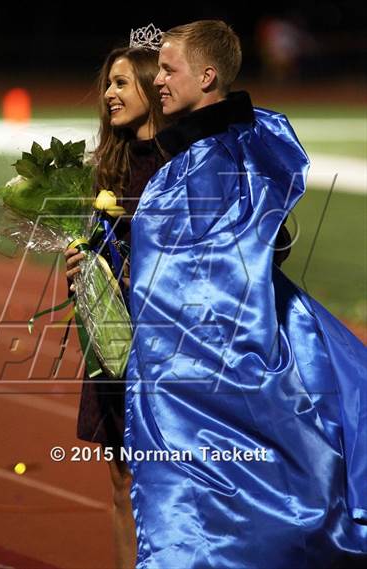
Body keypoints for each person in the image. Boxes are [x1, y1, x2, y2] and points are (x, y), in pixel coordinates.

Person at [124, 20, 367, 568]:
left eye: (168, 69)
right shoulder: (237, 144)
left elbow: (193, 285)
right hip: (249, 342)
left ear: (207, 77)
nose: (157, 80)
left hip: (210, 368)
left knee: (215, 503)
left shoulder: (209, 163)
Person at [65, 37, 167, 569]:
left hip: (171, 347)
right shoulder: (106, 166)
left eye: (121, 82)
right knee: (122, 481)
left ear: (153, 87)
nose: (108, 93)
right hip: (115, 345)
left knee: (172, 482)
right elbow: (94, 247)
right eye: (108, 82)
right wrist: (80, 269)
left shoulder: (184, 165)